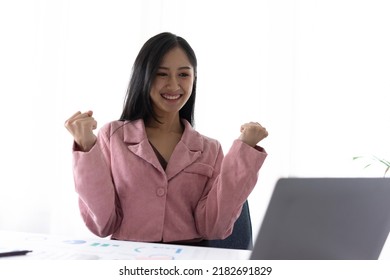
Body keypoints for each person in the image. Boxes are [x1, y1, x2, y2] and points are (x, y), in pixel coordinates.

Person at [64, 32, 268, 245]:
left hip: (190, 261)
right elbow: (103, 224)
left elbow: (213, 226)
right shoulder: (113, 136)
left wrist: (245, 150)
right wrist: (87, 146)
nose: (173, 85)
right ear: (144, 76)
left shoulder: (210, 148)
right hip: (129, 259)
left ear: (194, 78)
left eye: (183, 74)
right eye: (161, 74)